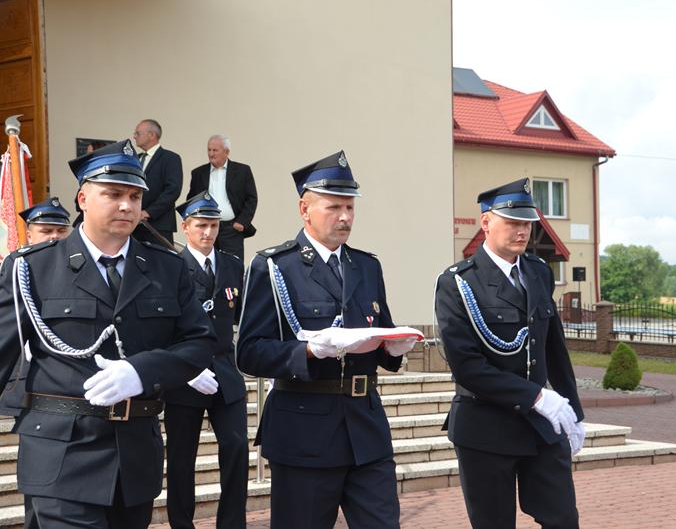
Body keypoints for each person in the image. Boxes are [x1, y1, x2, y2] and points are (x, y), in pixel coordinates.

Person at [0, 139, 215, 528]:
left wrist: (142, 372)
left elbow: (199, 343)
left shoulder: (167, 267)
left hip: (134, 457)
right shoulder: (32, 267)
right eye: (113, 194)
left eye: (135, 196)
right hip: (61, 457)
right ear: (83, 198)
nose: (127, 206)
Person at [237, 151, 414, 529]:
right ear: (305, 209)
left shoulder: (366, 265)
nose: (345, 217)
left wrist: (394, 348)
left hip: (366, 429)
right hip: (305, 432)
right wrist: (308, 351)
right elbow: (249, 352)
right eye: (334, 207)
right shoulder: (275, 266)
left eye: (350, 207)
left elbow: (379, 330)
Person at [434, 178, 584, 529]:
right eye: (513, 222)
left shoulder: (538, 271)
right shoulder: (458, 282)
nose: (522, 231)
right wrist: (537, 397)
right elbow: (467, 367)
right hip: (485, 426)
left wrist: (574, 411)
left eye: (527, 223)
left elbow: (554, 346)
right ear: (486, 222)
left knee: (563, 518)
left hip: (540, 427)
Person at [165, 193, 248, 529]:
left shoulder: (231, 265)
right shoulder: (171, 267)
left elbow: (243, 316)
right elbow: (163, 326)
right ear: (185, 227)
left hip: (225, 371)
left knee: (236, 446)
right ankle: (182, 524)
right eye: (201, 225)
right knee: (182, 458)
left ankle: (232, 524)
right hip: (185, 376)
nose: (208, 232)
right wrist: (184, 370)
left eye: (213, 225)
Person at [0, 197, 72, 529]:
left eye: (60, 230)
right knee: (39, 488)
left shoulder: (76, 264)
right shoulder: (20, 265)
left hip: (65, 386)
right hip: (30, 380)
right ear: (29, 234)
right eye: (46, 231)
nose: (54, 237)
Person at [187, 134, 257, 261]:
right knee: (206, 263)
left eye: (215, 150)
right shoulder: (198, 173)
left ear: (227, 152)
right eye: (209, 150)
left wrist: (242, 222)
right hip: (206, 228)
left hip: (232, 229)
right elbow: (192, 199)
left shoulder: (242, 171)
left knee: (233, 265)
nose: (211, 154)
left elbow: (251, 198)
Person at [132, 119, 183, 246]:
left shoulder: (170, 158)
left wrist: (149, 212)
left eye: (138, 133)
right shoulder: (135, 159)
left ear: (151, 135)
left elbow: (173, 190)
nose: (134, 136)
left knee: (161, 258)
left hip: (158, 225)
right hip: (134, 225)